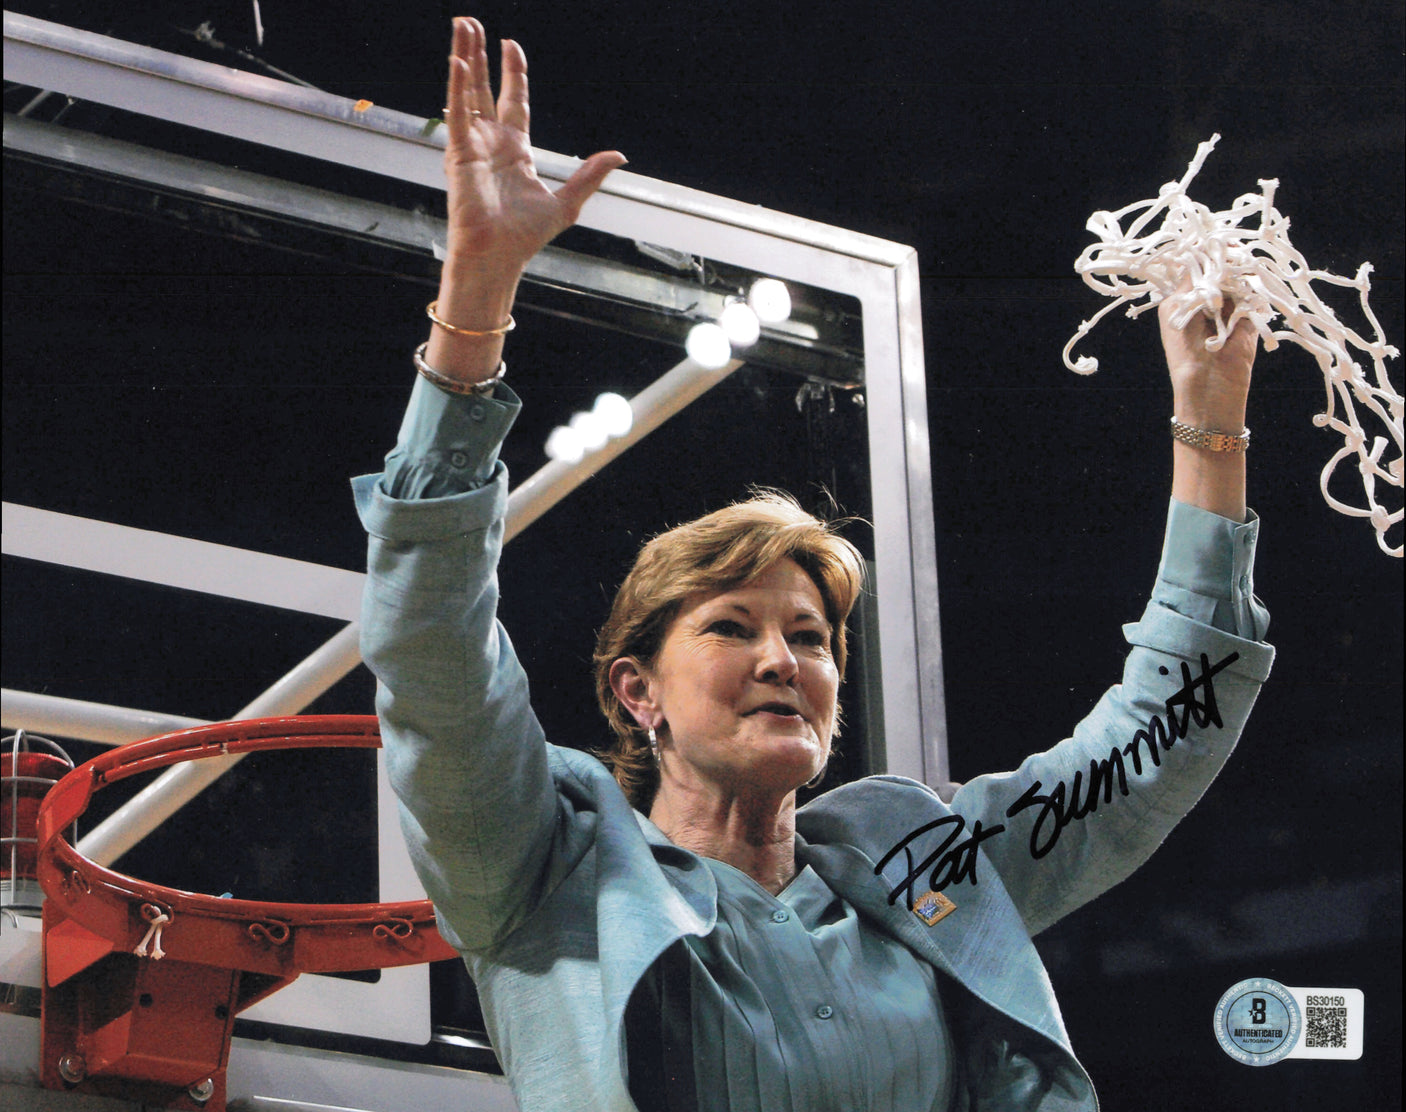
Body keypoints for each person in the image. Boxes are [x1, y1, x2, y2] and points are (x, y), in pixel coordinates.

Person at [354, 16, 1273, 1111]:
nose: (783, 657)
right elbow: (433, 656)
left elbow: (1151, 748)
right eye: (732, 626)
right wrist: (473, 304)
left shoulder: (916, 863)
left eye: (809, 634)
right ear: (632, 688)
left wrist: (1209, 423)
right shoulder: (549, 867)